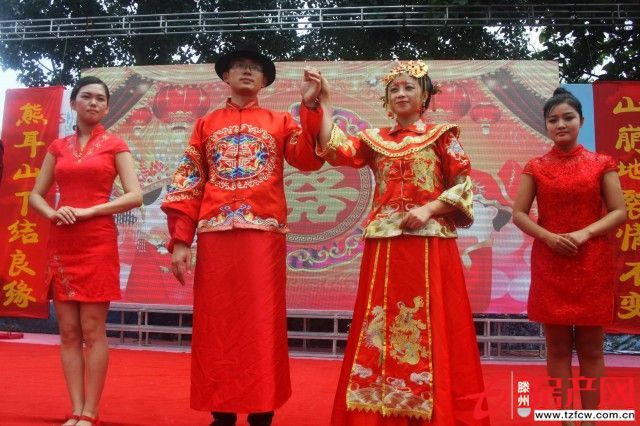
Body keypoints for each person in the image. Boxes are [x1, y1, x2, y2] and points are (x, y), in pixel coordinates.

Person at [308, 60, 489, 425]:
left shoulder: (442, 136)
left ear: (425, 96)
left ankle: (435, 411)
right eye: (394, 89)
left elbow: (464, 185)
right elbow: (335, 148)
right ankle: (377, 412)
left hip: (430, 244)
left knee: (434, 323)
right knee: (378, 324)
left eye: (409, 87)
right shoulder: (374, 140)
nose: (401, 94)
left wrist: (429, 209)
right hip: (385, 245)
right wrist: (324, 102)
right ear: (387, 100)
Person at [161, 42, 324, 426]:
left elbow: (307, 159)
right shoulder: (205, 124)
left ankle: (262, 409)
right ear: (226, 75)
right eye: (239, 65)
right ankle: (222, 411)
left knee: (261, 321)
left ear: (265, 80)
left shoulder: (280, 121)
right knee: (216, 323)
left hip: (262, 237)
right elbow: (188, 182)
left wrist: (310, 106)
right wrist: (181, 241)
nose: (247, 71)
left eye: (255, 67)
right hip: (215, 235)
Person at [29, 76, 143, 426]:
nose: (93, 103)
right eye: (87, 97)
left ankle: (90, 412)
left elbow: (135, 195)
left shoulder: (115, 145)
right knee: (67, 331)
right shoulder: (58, 147)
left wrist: (90, 211)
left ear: (107, 108)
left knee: (93, 329)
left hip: (97, 241)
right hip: (62, 242)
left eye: (100, 99)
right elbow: (35, 195)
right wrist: (53, 213)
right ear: (73, 103)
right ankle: (76, 408)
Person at [512, 88, 626, 424]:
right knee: (558, 349)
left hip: (592, 263)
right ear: (546, 125)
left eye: (568, 117)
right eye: (553, 120)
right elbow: (519, 214)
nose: (560, 124)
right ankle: (565, 416)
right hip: (551, 264)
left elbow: (619, 212)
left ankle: (589, 418)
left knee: (591, 348)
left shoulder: (601, 163)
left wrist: (584, 233)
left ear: (581, 121)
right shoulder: (536, 166)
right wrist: (548, 237)